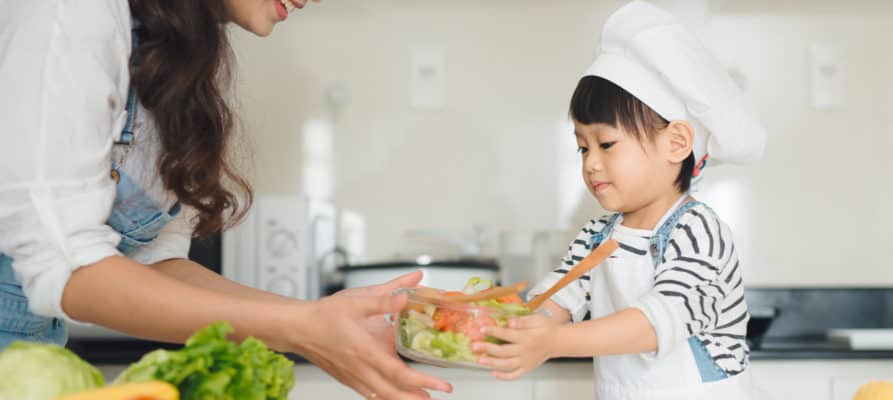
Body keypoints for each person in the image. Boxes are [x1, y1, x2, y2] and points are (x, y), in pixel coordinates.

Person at [0, 0, 451, 398]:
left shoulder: (190, 54)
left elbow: (151, 260)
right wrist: (299, 330)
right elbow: (68, 269)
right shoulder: (69, 12)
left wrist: (320, 320)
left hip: (28, 369)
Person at [471, 1, 767, 399]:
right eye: (582, 148)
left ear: (676, 143)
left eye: (607, 144)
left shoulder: (700, 233)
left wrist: (554, 342)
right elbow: (555, 299)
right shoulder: (597, 236)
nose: (591, 163)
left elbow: (654, 323)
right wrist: (517, 329)